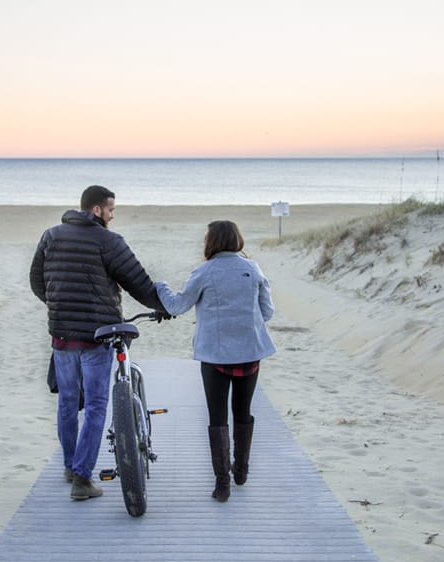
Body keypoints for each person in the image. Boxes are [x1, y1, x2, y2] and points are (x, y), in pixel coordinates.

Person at [30, 185, 167, 500]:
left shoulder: (51, 236)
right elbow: (138, 282)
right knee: (94, 406)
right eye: (111, 210)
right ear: (96, 210)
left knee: (67, 403)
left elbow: (37, 281)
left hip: (61, 335)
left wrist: (58, 306)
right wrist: (161, 306)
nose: (112, 215)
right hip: (96, 336)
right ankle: (81, 478)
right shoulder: (108, 241)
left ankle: (70, 466)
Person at [155, 220, 276, 502]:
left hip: (215, 356)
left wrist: (160, 286)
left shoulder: (205, 271)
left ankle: (223, 484)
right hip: (250, 353)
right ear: (237, 240)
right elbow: (267, 312)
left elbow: (177, 306)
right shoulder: (253, 268)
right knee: (242, 412)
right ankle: (241, 471)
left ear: (211, 242)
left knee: (217, 417)